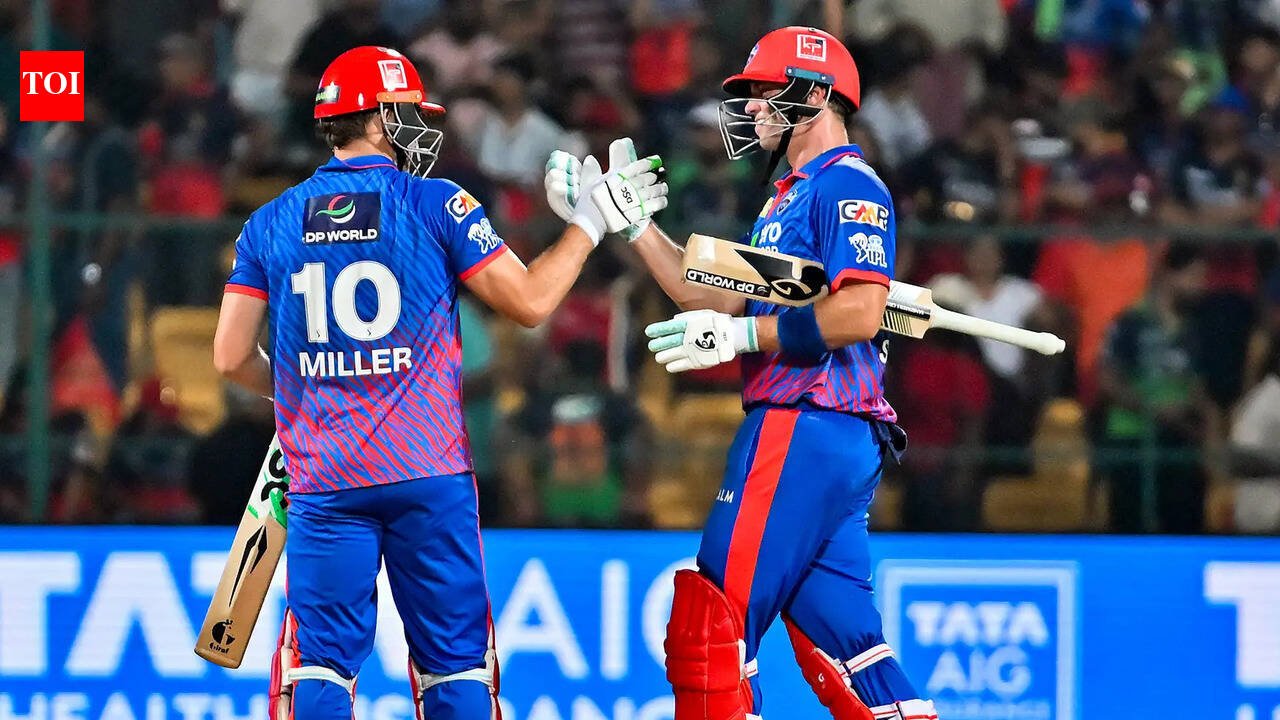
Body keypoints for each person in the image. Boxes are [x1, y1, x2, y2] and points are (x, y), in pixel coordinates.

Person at [212, 45, 666, 720]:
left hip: (326, 475)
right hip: (428, 470)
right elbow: (531, 303)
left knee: (320, 668)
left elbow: (228, 358)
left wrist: (305, 398)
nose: (420, 129)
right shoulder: (437, 203)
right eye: (408, 114)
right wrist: (589, 224)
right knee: (455, 667)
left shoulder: (270, 221)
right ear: (378, 118)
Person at [545, 26, 936, 720]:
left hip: (804, 422)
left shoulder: (847, 184)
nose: (752, 108)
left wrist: (741, 335)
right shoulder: (787, 198)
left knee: (711, 630)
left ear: (813, 95)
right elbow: (707, 295)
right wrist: (628, 225)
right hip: (829, 435)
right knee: (851, 649)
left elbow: (859, 312)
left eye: (764, 93)